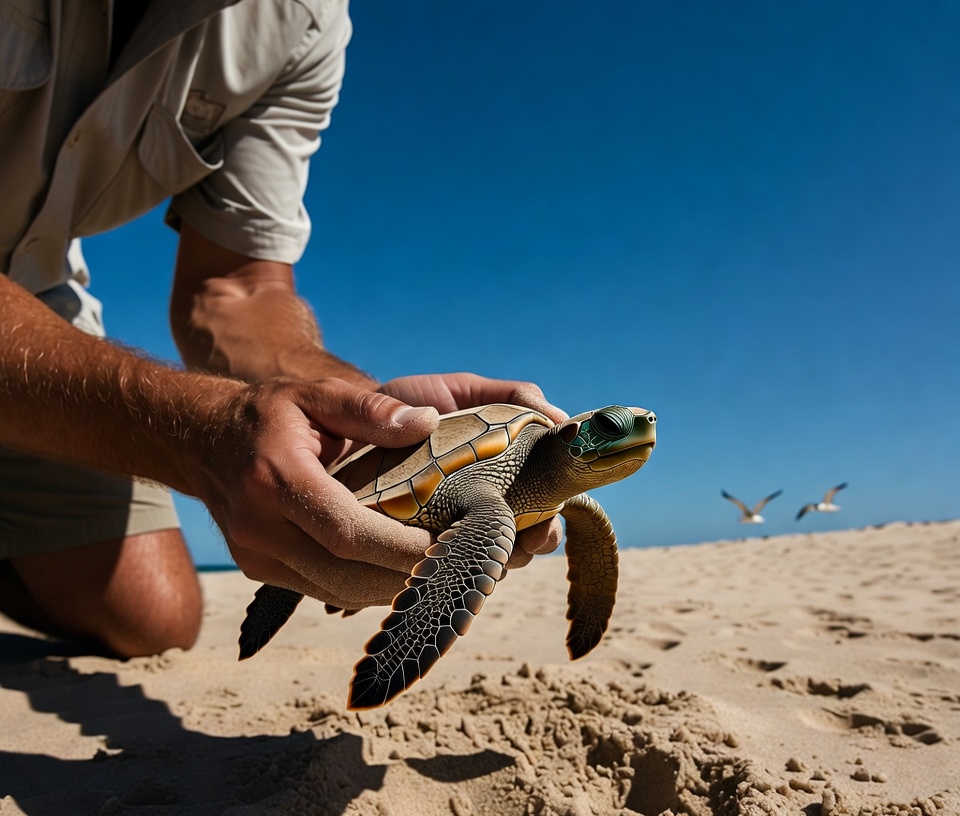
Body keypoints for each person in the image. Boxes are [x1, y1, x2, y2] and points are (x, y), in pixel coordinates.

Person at [0, 0, 564, 658]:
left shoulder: (300, 20)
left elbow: (236, 284)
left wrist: (357, 410)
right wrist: (200, 432)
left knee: (154, 620)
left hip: (32, 299)